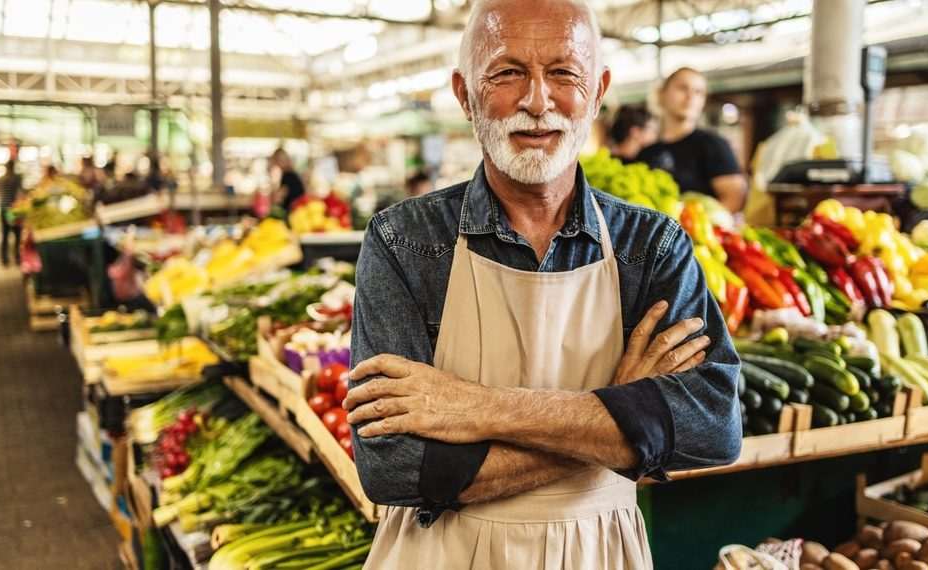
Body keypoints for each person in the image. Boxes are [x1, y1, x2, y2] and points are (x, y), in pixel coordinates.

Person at [343, 1, 741, 568]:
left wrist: (474, 407)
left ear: (597, 91)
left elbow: (713, 426)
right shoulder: (404, 241)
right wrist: (624, 418)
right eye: (507, 73)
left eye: (564, 74)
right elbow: (393, 467)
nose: (537, 101)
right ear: (465, 93)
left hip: (599, 553)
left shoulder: (650, 245)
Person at [637, 67, 747, 212]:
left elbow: (734, 198)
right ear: (662, 93)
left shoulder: (713, 145)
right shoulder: (647, 153)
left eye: (698, 92)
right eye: (682, 88)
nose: (690, 97)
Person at [0, 160, 23, 266]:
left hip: (4, 209)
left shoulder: (1, 179)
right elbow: (21, 193)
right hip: (14, 210)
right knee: (17, 235)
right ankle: (17, 257)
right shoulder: (17, 178)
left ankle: (4, 259)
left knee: (5, 235)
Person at [271, 148, 305, 214]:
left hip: (293, 213)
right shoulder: (292, 174)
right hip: (298, 211)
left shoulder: (288, 175)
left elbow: (278, 198)